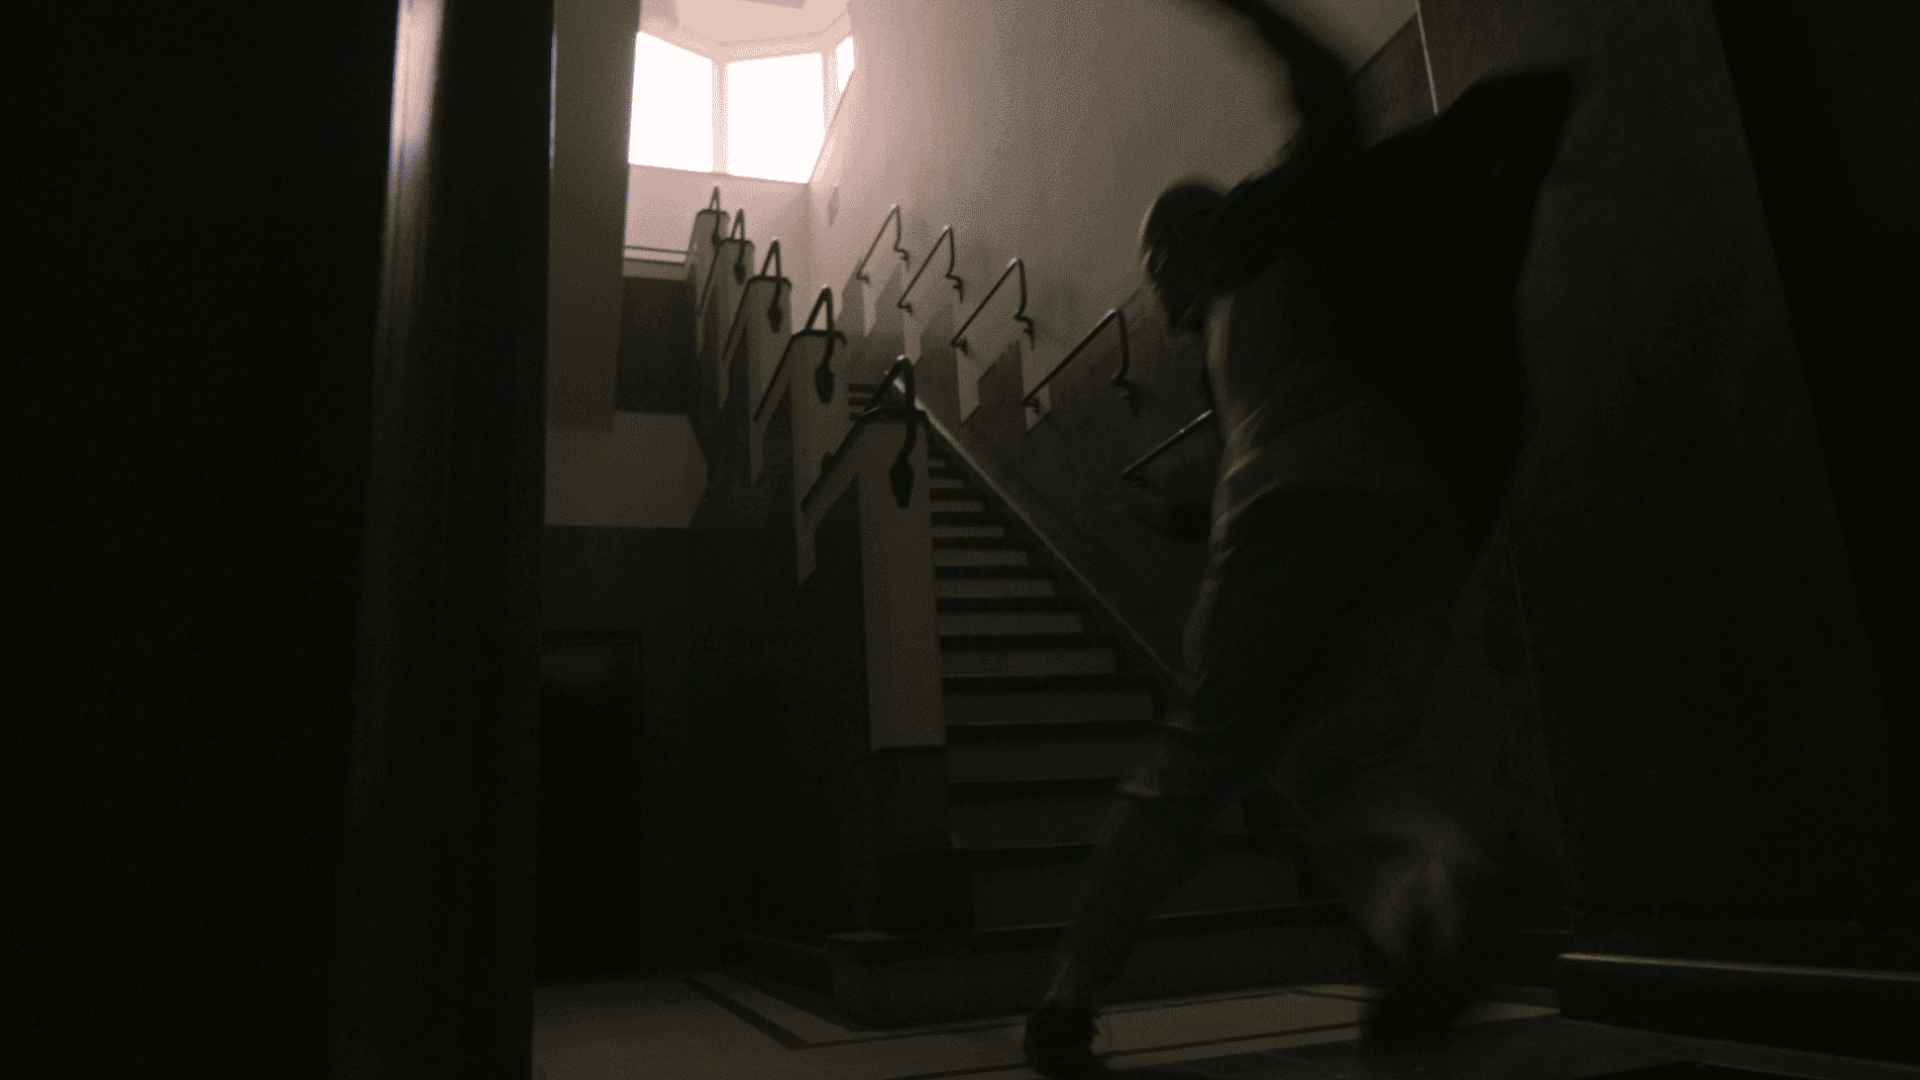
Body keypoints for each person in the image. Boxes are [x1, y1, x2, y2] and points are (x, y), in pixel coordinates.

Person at [1021, 4, 1574, 1076]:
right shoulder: (1241, 331)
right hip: (1412, 522)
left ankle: (1066, 1003)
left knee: (1193, 762)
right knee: (1338, 763)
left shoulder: (1265, 223)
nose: (1155, 283)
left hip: (1303, 502)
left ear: (1189, 237)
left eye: (1153, 257)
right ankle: (1444, 903)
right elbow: (1260, 457)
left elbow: (1328, 85)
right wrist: (1171, 516)